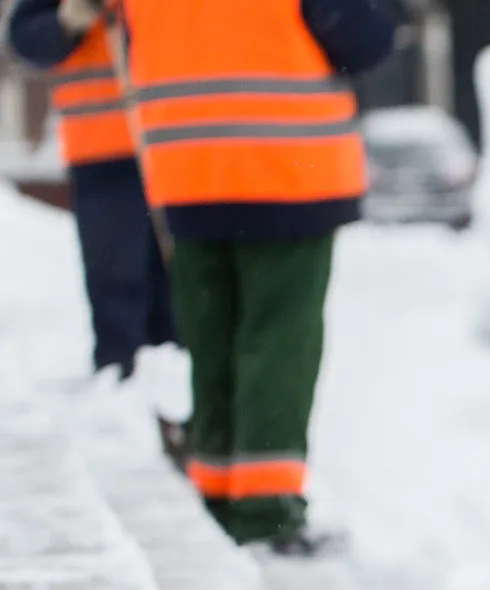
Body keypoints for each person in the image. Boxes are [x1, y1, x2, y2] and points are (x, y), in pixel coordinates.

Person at [118, 0, 394, 553]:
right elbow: (364, 39)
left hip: (186, 166)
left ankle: (218, 491)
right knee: (279, 339)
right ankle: (266, 514)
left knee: (213, 337)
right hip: (287, 164)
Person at [7, 0, 177, 395]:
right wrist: (68, 20)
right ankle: (121, 397)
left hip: (177, 143)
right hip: (103, 152)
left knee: (182, 286)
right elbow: (26, 39)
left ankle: (180, 400)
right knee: (118, 284)